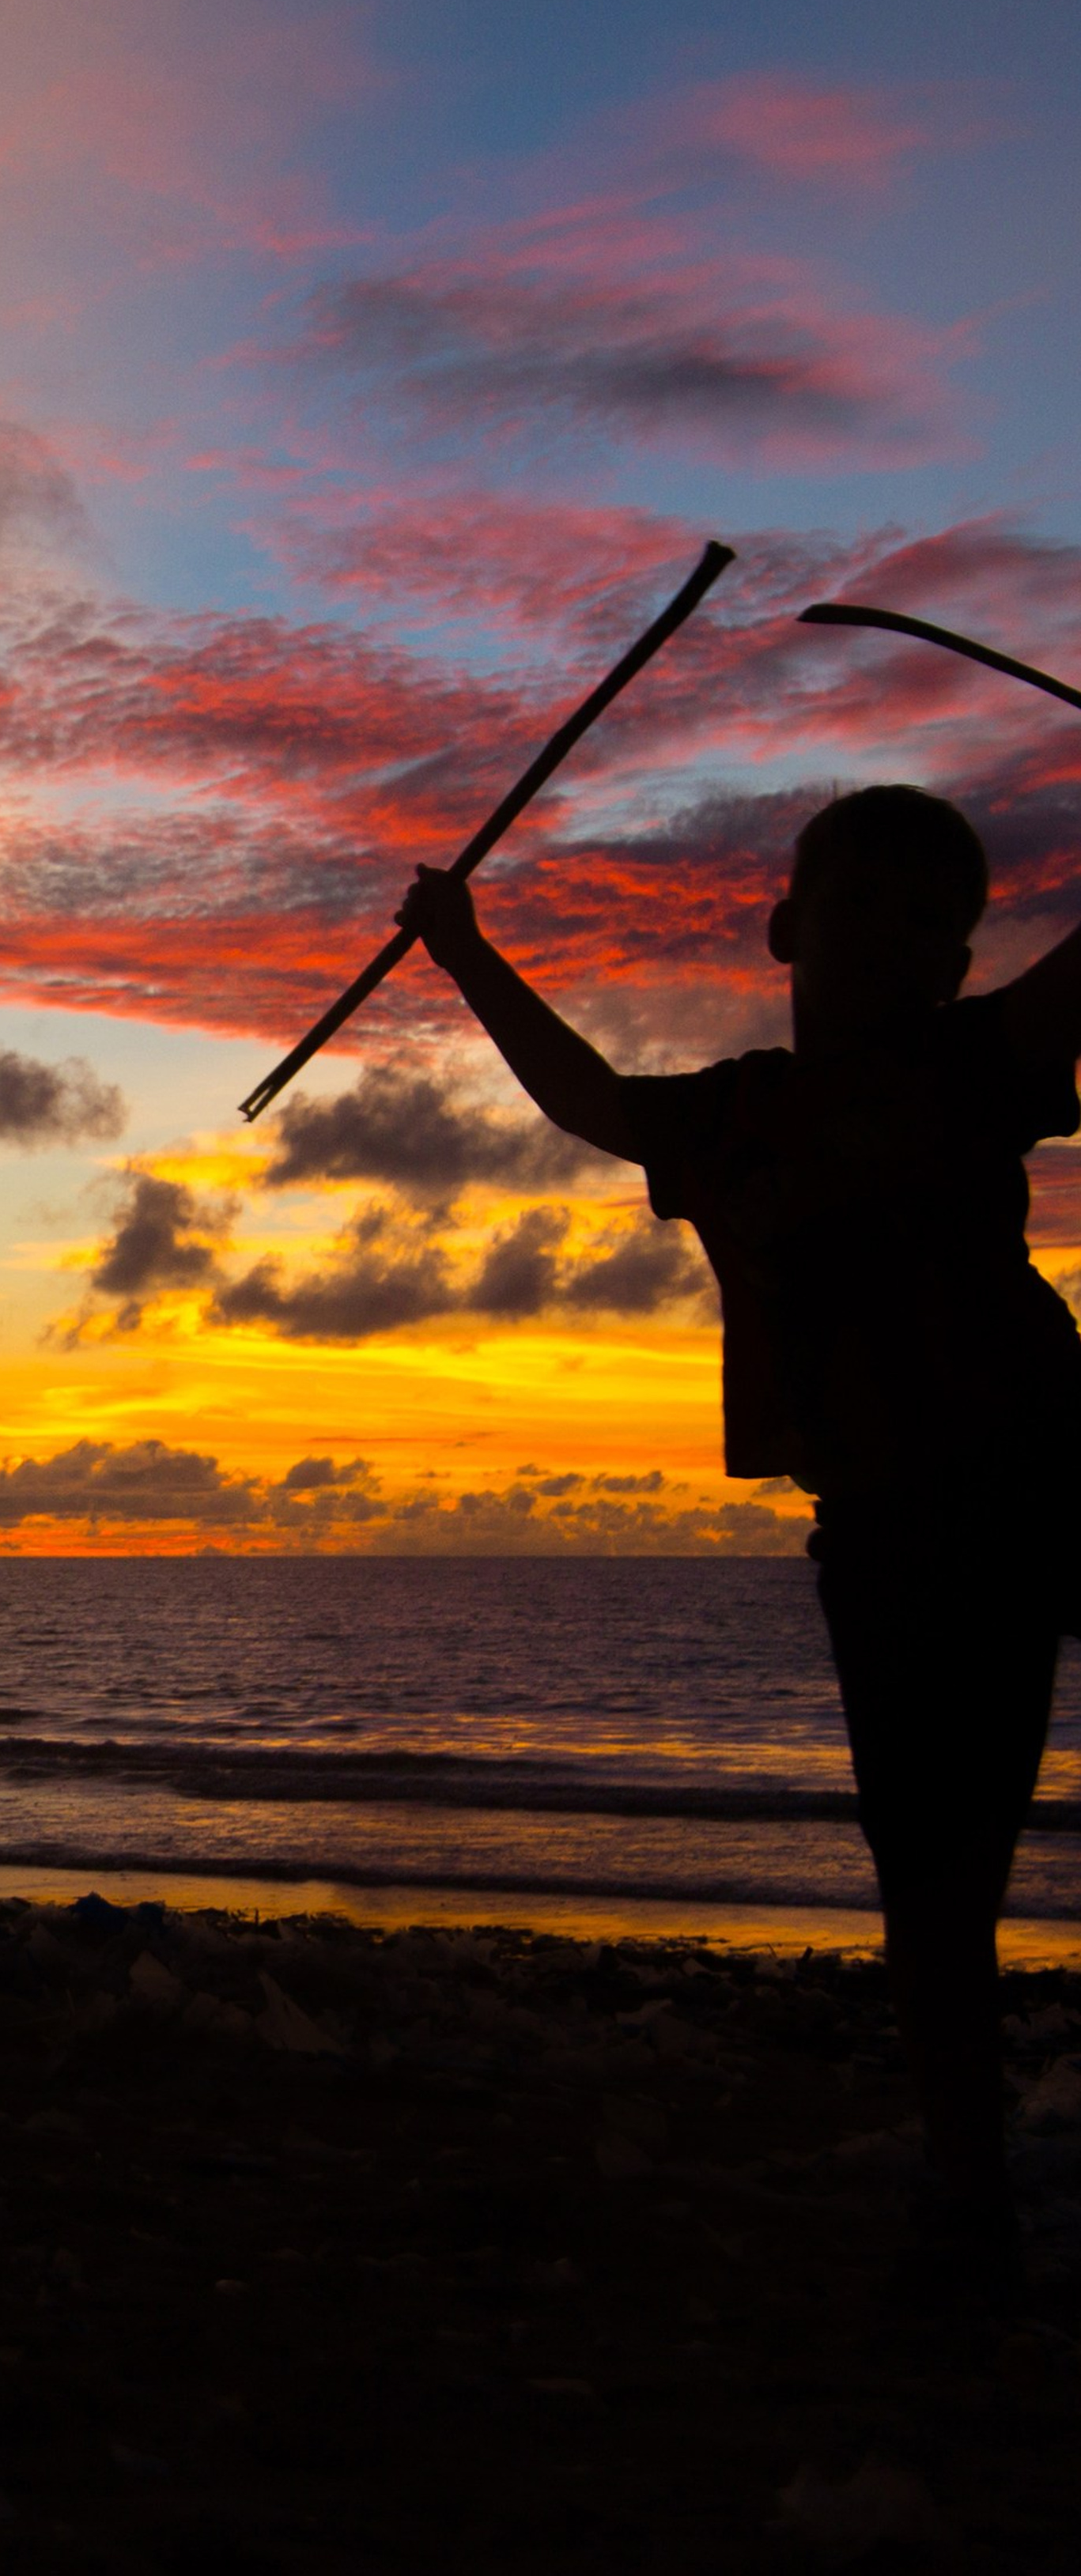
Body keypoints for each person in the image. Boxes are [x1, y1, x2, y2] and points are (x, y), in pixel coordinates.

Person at [403, 785, 1079, 2291]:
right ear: (786, 928)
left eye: (936, 929)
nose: (900, 947)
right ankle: (972, 2198)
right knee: (935, 1881)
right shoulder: (734, 1113)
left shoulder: (975, 1062)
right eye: (865, 910)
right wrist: (461, 951)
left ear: (961, 967)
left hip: (1053, 1472)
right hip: (892, 1525)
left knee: (941, 1875)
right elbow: (582, 1096)